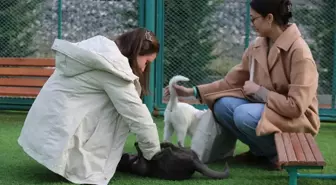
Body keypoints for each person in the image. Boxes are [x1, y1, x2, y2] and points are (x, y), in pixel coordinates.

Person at [165, 0, 319, 170]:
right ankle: (261, 153)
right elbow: (231, 81)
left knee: (243, 114)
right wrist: (191, 91)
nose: (251, 24)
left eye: (254, 19)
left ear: (269, 18)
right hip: (267, 110)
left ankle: (277, 154)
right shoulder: (258, 45)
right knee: (222, 105)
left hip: (296, 120)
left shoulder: (300, 52)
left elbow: (296, 107)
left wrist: (261, 92)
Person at [17, 28, 161, 184]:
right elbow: (138, 116)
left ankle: (68, 158)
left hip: (45, 134)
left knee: (113, 104)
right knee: (122, 109)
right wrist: (155, 157)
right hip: (59, 137)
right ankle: (73, 162)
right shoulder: (113, 68)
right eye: (146, 62)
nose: (144, 69)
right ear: (136, 52)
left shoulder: (97, 54)